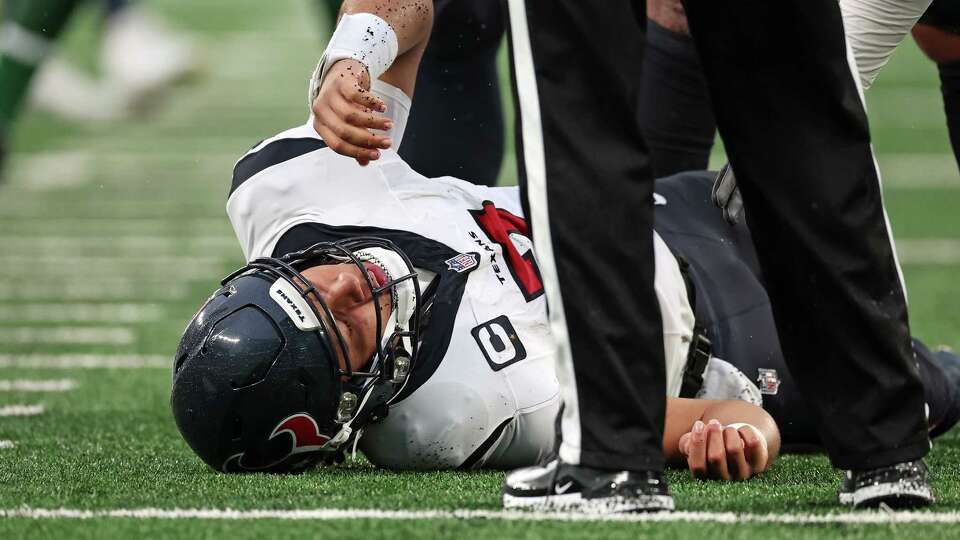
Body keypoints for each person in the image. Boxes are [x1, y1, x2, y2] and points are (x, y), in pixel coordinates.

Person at [169, 85, 960, 488]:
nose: (342, 284)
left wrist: (357, 46)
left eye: (306, 282)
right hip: (738, 340)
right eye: (342, 328)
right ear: (348, 409)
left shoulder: (287, 189)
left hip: (664, 204)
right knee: (918, 397)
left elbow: (405, 19)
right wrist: (738, 429)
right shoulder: (451, 418)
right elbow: (666, 416)